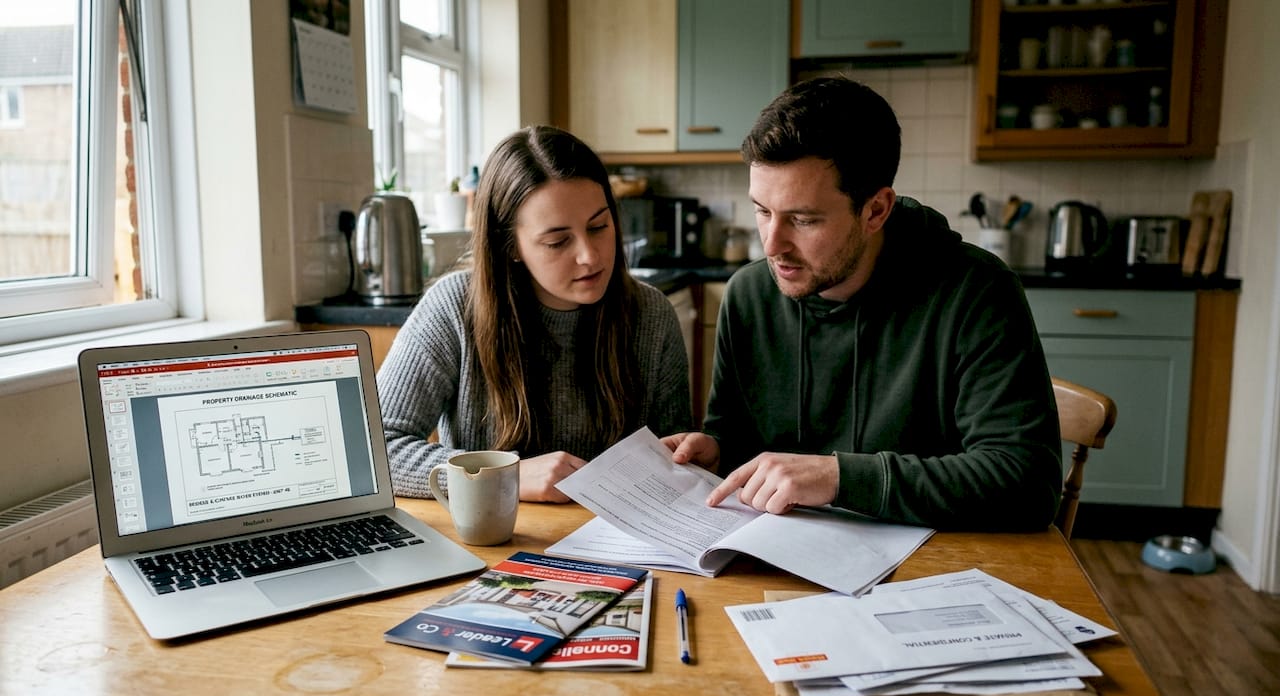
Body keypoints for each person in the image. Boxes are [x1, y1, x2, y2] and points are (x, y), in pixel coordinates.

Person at [663, 77, 1062, 531]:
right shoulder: (748, 295)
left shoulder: (977, 292)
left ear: (875, 211)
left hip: (926, 572)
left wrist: (840, 476)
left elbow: (1028, 484)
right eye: (762, 210)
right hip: (780, 561)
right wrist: (716, 451)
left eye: (804, 219)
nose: (772, 244)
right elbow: (734, 437)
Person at [378, 125, 692, 502]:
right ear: (510, 245)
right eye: (558, 241)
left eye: (599, 227)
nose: (589, 256)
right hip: (493, 544)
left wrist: (691, 456)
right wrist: (502, 475)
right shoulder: (452, 308)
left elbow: (674, 462)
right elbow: (376, 450)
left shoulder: (652, 314)